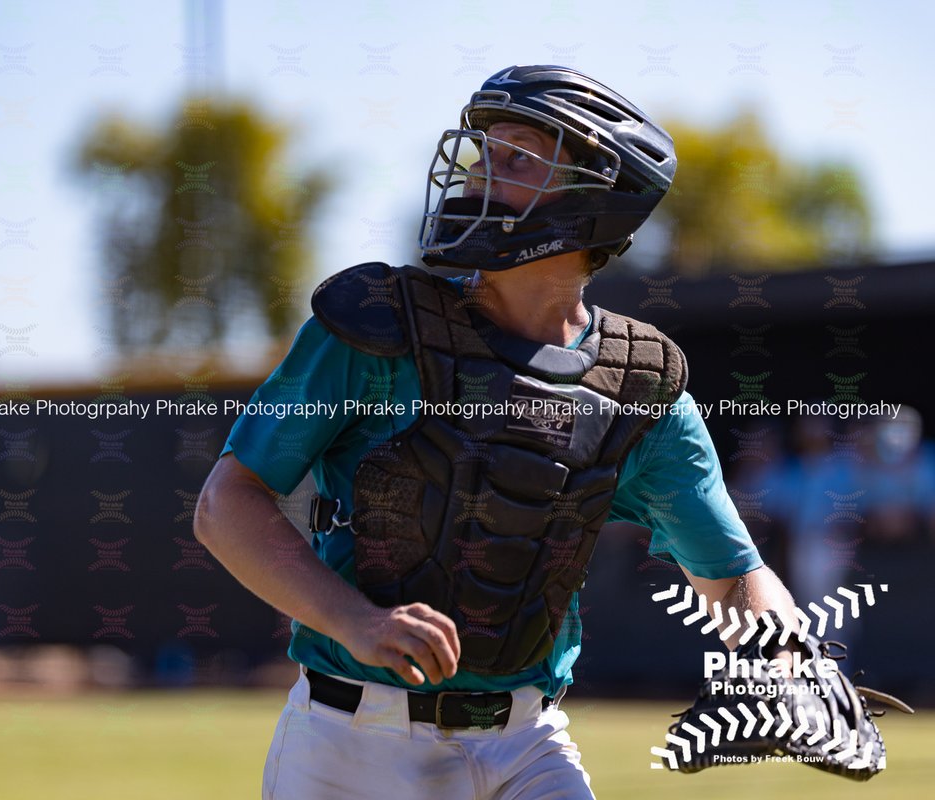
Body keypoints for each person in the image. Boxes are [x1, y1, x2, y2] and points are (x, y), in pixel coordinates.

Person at [195, 65, 799, 799]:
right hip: (351, 742)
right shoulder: (377, 326)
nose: (479, 173)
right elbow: (227, 503)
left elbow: (733, 575)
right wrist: (352, 619)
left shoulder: (641, 386)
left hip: (527, 742)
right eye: (483, 151)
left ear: (593, 201)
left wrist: (788, 660)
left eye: (516, 157)